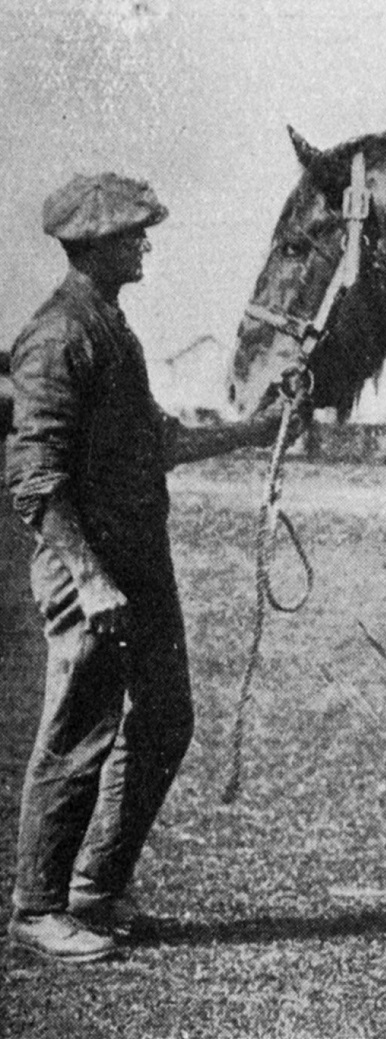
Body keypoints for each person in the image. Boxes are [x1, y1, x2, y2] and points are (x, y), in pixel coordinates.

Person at [5, 173, 300, 963]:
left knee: (167, 719)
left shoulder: (109, 327)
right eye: (134, 233)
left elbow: (159, 440)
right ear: (95, 244)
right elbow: (35, 480)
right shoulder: (58, 335)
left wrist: (262, 427)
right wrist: (90, 576)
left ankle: (96, 887)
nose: (145, 243)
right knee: (79, 732)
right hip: (90, 569)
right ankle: (37, 907)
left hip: (139, 561)